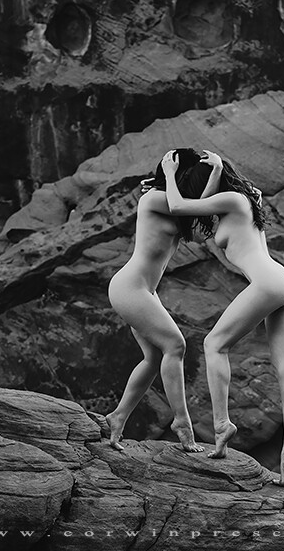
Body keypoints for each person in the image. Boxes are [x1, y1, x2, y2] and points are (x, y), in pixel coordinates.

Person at [161, 150, 284, 486]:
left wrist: (168, 173)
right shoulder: (245, 200)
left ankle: (222, 424)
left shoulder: (235, 201)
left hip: (268, 282)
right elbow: (204, 202)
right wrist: (217, 170)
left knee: (214, 344)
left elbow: (178, 206)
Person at [105, 148, 223, 452]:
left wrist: (217, 171)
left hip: (145, 291)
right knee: (176, 345)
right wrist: (170, 174)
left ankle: (117, 418)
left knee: (154, 358)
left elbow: (199, 213)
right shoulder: (154, 198)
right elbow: (182, 206)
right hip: (130, 288)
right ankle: (182, 423)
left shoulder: (176, 203)